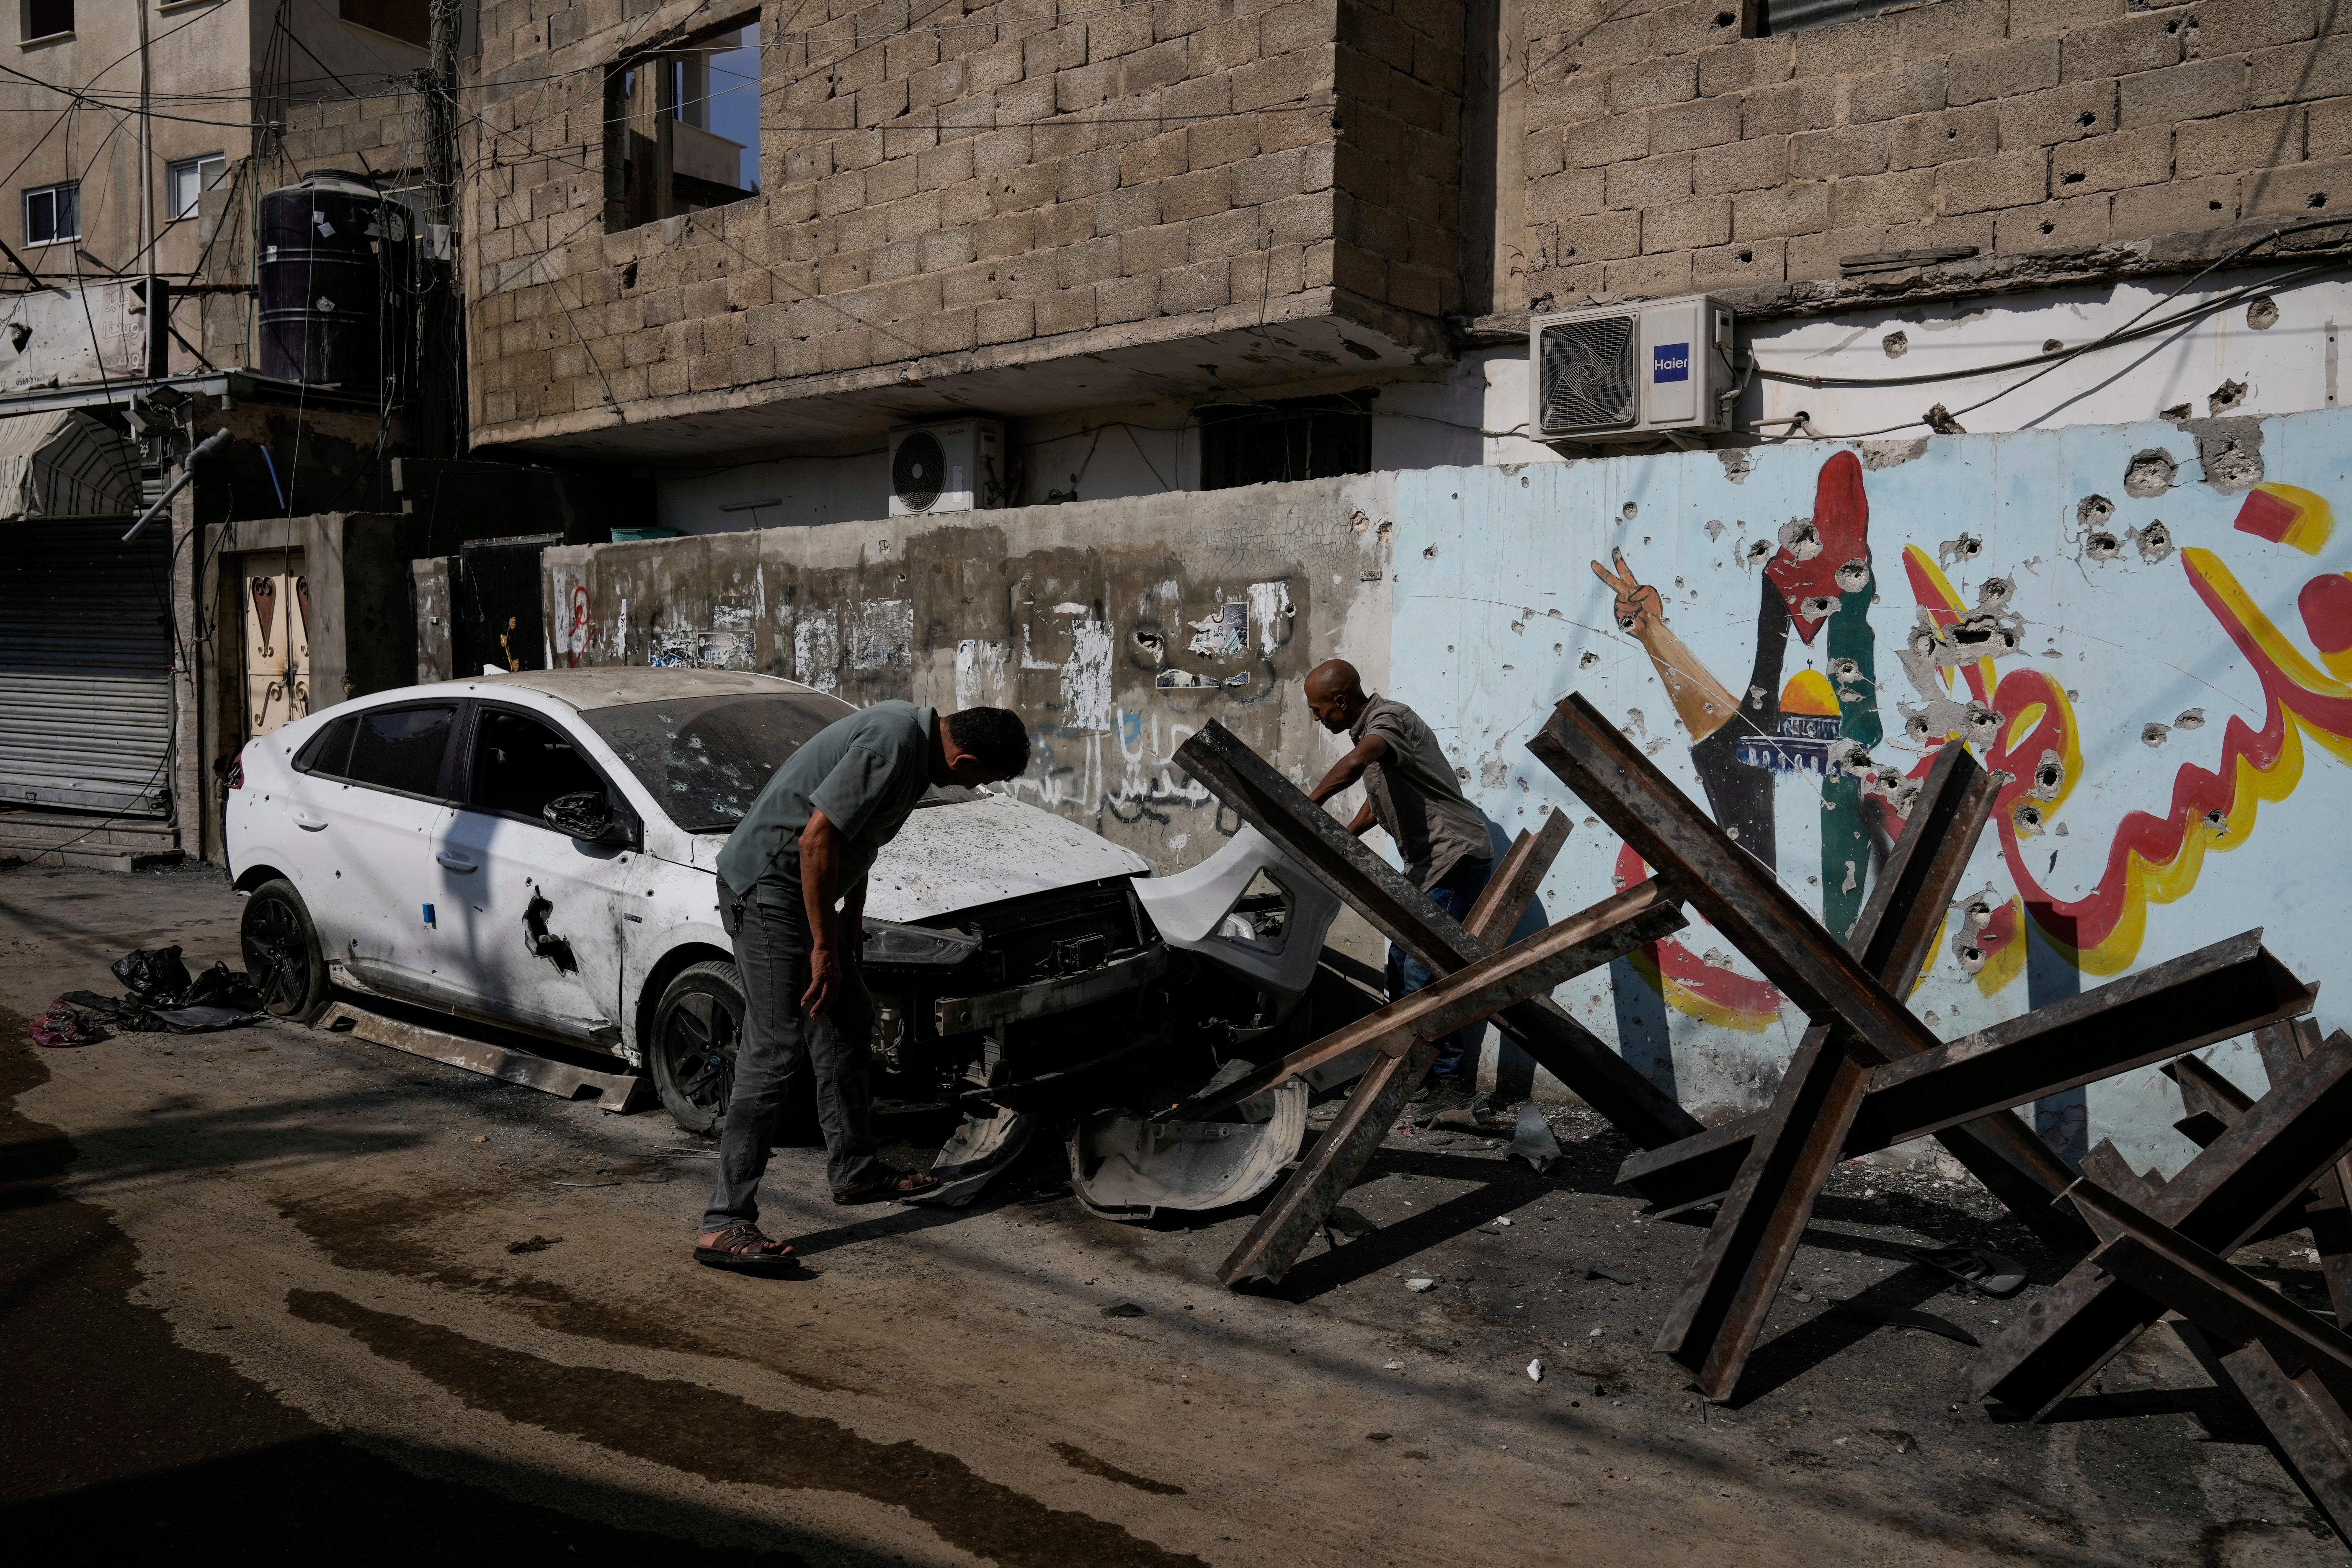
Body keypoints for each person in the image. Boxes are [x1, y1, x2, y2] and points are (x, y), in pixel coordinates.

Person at [694, 700, 1032, 1272]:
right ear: (966, 757)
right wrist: (824, 947)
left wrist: (849, 919)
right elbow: (815, 841)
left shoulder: (916, 752)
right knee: (775, 1049)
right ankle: (724, 1221)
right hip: (770, 892)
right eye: (985, 778)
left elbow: (857, 837)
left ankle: (854, 1170)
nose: (979, 787)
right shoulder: (893, 742)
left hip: (809, 896)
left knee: (849, 1019)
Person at [1303, 660, 1495, 1107]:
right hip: (1429, 866)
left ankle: (1451, 1085)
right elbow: (1378, 803)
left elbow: (1356, 763)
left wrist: (1306, 806)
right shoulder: (1373, 737)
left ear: (1342, 702)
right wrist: (1342, 838)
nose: (1316, 718)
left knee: (1423, 971)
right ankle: (1421, 1075)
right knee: (1398, 966)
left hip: (1455, 857)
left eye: (1318, 710)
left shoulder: (1390, 720)